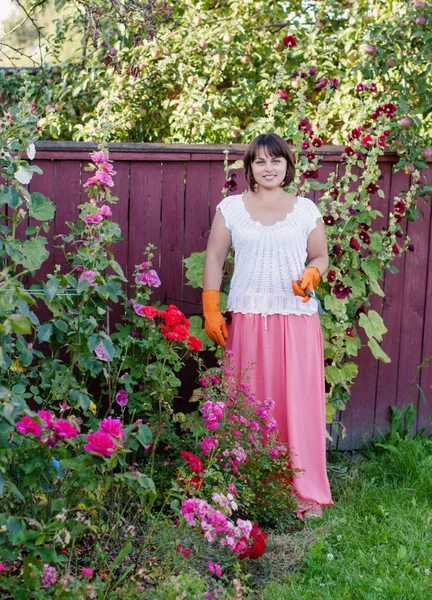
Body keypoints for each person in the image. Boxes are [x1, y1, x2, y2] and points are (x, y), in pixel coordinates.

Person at [202, 132, 333, 520]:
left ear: (287, 166)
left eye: (276, 160)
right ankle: (248, 488)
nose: (269, 167)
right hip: (248, 319)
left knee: (297, 403)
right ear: (250, 169)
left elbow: (321, 255)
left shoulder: (305, 209)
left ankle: (304, 491)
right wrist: (211, 306)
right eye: (260, 161)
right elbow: (214, 256)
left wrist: (313, 274)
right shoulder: (231, 208)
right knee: (249, 402)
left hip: (296, 320)